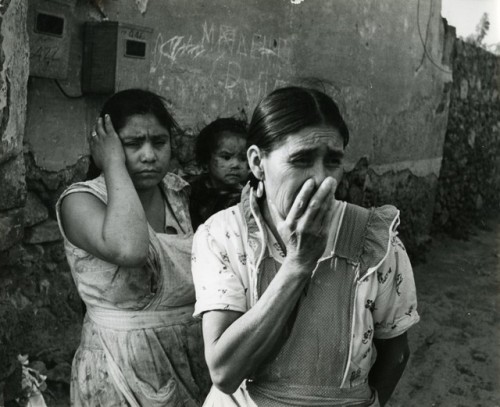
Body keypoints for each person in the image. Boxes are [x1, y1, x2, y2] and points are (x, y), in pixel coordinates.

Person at [191, 86, 420, 406]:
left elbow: (395, 354)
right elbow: (225, 372)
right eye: (301, 159)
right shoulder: (223, 235)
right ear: (257, 162)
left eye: (333, 161)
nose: (321, 178)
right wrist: (298, 264)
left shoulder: (374, 241)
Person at [55, 89, 210, 406]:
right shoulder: (81, 200)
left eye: (159, 142)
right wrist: (112, 164)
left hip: (190, 362)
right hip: (120, 368)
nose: (149, 155)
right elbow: (130, 249)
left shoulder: (179, 194)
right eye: (132, 144)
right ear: (106, 145)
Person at [189, 118, 249, 230]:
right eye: (226, 157)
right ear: (206, 162)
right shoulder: (192, 192)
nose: (235, 164)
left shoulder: (246, 197)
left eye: (242, 158)